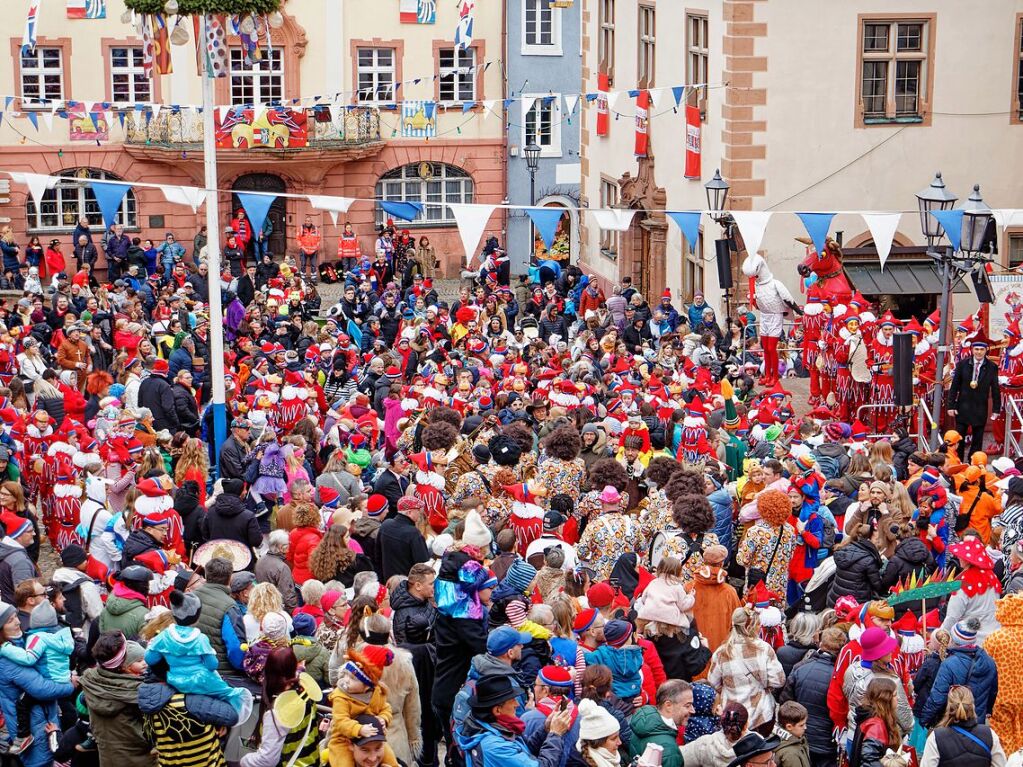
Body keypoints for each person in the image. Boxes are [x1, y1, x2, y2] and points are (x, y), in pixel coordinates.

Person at [455, 674, 572, 767]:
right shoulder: (495, 746)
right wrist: (555, 734)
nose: (517, 704)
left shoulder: (494, 727)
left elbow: (524, 752)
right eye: (512, 700)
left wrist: (545, 729)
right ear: (497, 710)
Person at [80, 631, 154, 767]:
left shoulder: (91, 682)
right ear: (123, 667)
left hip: (108, 756)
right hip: (141, 757)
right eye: (139, 661)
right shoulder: (137, 691)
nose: (144, 663)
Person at [920, 685, 1007, 767]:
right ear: (972, 706)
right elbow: (1001, 764)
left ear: (949, 707)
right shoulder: (989, 734)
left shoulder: (936, 737)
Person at [947, 334, 1000, 460]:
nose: (979, 352)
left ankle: (973, 464)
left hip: (980, 408)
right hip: (962, 407)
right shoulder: (962, 365)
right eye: (976, 349)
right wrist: (951, 405)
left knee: (977, 440)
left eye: (982, 349)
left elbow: (996, 388)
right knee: (958, 438)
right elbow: (954, 386)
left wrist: (996, 409)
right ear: (972, 350)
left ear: (986, 350)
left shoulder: (992, 367)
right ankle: (958, 462)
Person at [629, 680, 694, 767]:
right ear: (668, 705)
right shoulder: (669, 750)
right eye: (687, 705)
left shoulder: (643, 722)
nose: (693, 710)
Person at [774, 702, 811, 767]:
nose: (805, 727)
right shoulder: (790, 754)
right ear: (789, 727)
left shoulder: (797, 738)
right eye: (801, 725)